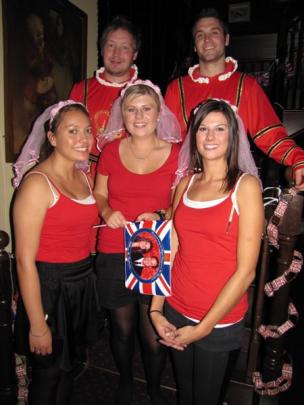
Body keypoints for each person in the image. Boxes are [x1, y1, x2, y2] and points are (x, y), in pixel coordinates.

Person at [150, 99, 264, 405]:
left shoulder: (246, 187)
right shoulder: (185, 183)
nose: (210, 137)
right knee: (184, 394)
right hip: (175, 306)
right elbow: (170, 247)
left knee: (206, 399)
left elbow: (246, 272)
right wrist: (156, 309)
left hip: (218, 320)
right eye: (203, 129)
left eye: (219, 129)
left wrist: (202, 329)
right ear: (194, 136)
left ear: (232, 136)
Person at [93, 79, 181, 405]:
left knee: (153, 333)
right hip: (114, 248)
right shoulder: (111, 152)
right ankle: (126, 381)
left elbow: (183, 204)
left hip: (155, 252)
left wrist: (161, 213)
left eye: (146, 109)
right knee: (121, 328)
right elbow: (100, 193)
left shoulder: (176, 154)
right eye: (131, 109)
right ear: (122, 114)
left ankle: (155, 387)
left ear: (159, 114)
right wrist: (106, 210)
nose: (139, 115)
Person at [12, 101, 99, 405]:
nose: (83, 138)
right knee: (47, 375)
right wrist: (37, 325)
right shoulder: (37, 184)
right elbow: (24, 261)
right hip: (49, 287)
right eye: (72, 131)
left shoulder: (83, 176)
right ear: (51, 138)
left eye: (87, 130)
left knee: (69, 369)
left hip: (81, 283)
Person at [165, 7, 304, 188]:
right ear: (194, 44)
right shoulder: (177, 89)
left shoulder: (246, 86)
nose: (207, 40)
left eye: (214, 33)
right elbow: (165, 143)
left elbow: (270, 135)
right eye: (200, 35)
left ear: (226, 39)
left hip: (232, 184)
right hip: (188, 185)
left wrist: (298, 159)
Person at [69, 15, 141, 177]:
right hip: (86, 177)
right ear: (101, 49)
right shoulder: (82, 90)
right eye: (110, 46)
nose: (116, 54)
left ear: (134, 54)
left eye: (124, 47)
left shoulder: (146, 92)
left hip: (131, 176)